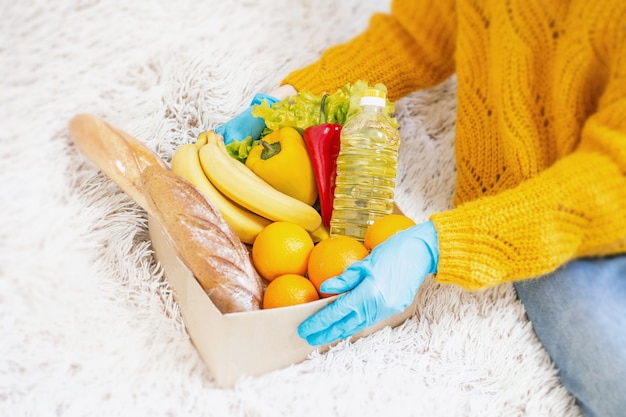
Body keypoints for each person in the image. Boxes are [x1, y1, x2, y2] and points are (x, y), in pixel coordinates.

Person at [215, 1, 626, 415]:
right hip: (537, 199)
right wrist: (290, 98)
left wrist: (439, 243)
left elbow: (615, 174)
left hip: (586, 201)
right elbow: (416, 37)